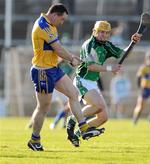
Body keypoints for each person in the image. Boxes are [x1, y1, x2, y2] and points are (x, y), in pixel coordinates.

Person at [28, 3, 104, 151]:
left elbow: (56, 49)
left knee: (73, 93)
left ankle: (83, 128)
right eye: (61, 19)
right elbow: (58, 49)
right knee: (43, 107)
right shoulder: (43, 26)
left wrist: (70, 56)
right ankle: (34, 140)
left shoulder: (51, 25)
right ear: (55, 15)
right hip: (42, 71)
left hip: (53, 69)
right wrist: (71, 59)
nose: (62, 23)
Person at [66, 20, 142, 147]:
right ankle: (73, 119)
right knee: (98, 105)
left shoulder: (106, 45)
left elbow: (124, 54)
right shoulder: (88, 45)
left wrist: (132, 43)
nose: (104, 35)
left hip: (92, 82)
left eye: (107, 33)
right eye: (101, 32)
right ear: (94, 32)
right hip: (82, 80)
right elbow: (90, 67)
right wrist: (110, 69)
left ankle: (77, 134)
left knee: (103, 117)